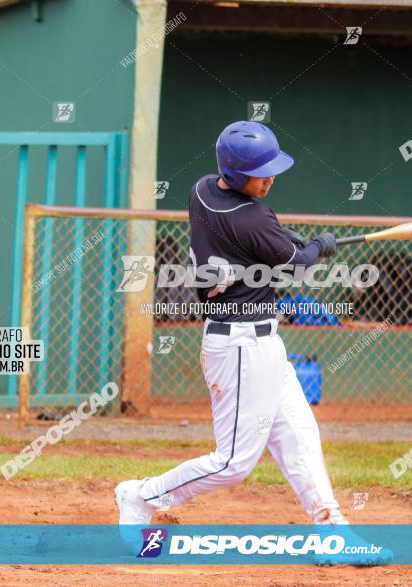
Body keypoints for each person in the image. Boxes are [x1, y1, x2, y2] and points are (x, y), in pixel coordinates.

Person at [115, 121, 389, 564]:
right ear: (238, 175)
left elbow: (260, 245)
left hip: (261, 342)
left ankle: (333, 531)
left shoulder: (203, 189)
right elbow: (297, 266)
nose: (271, 178)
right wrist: (319, 245)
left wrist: (283, 243)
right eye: (261, 173)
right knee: (234, 463)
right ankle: (140, 496)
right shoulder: (252, 216)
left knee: (299, 435)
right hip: (240, 346)